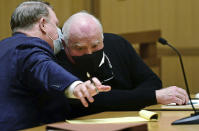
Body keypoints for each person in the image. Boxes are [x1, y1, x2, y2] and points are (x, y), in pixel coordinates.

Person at [0, 1, 111, 130]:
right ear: (43, 25)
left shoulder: (5, 47)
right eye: (56, 24)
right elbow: (43, 69)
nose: (59, 32)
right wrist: (75, 86)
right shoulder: (28, 48)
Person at [56, 11, 189, 117]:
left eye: (95, 45)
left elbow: (152, 82)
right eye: (80, 48)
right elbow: (92, 102)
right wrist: (151, 97)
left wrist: (126, 100)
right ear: (64, 44)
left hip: (133, 119)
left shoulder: (117, 43)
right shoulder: (59, 62)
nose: (89, 52)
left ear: (102, 39)